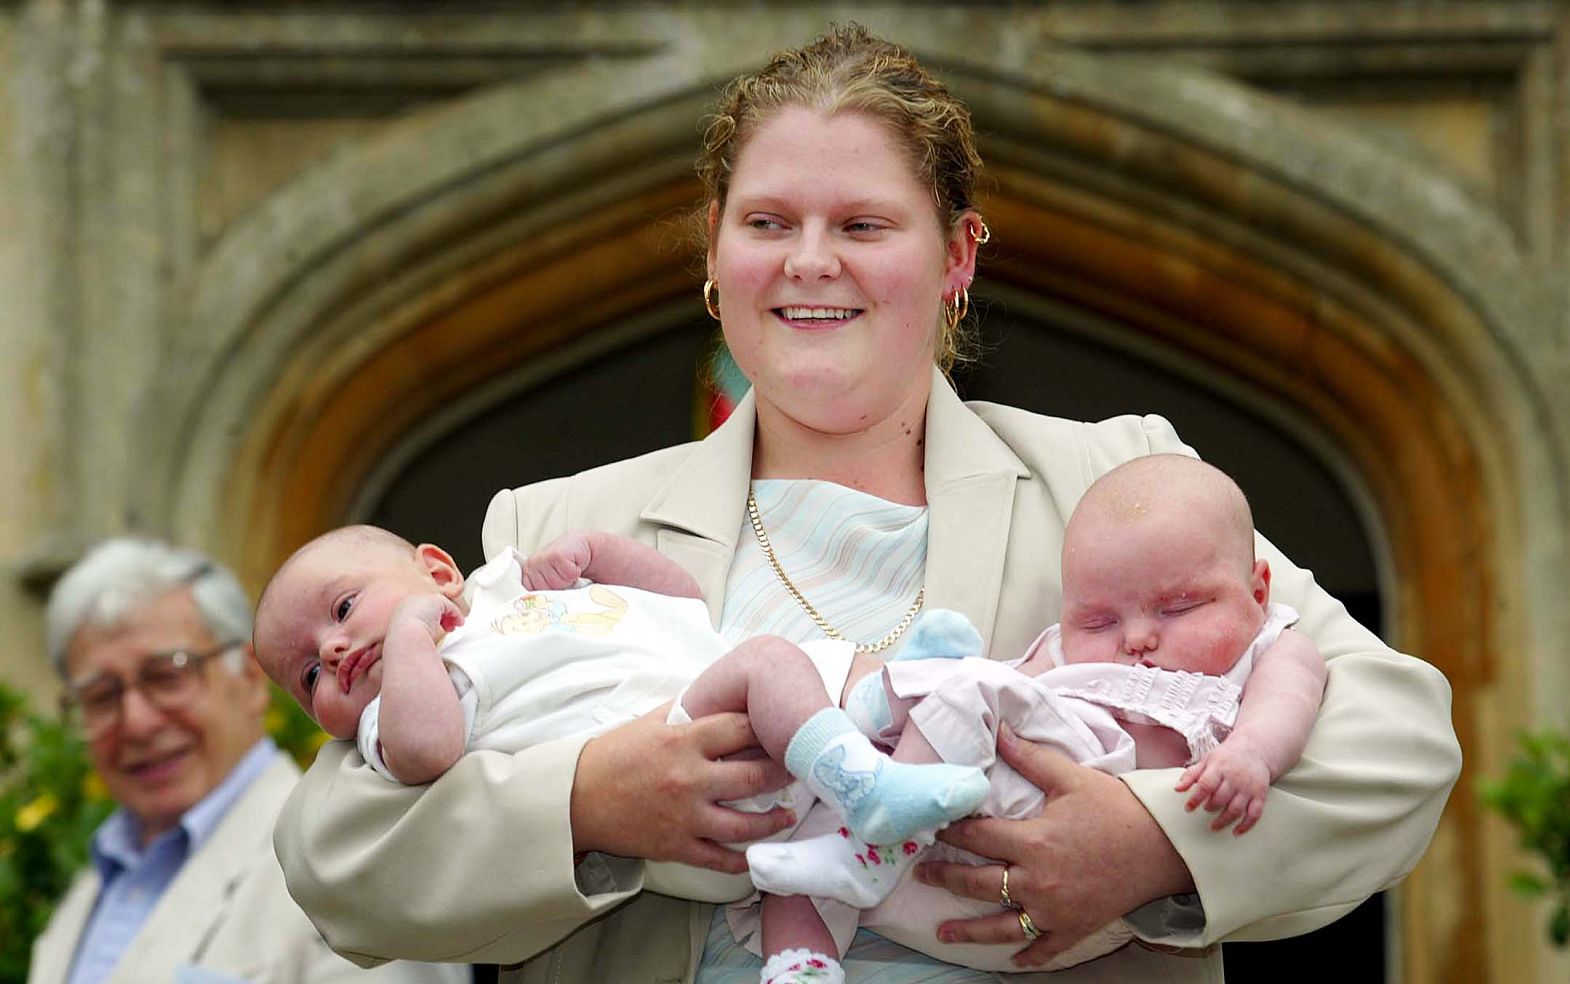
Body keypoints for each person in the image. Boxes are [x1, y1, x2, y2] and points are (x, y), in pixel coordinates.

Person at [273, 24, 1461, 984]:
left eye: (863, 225)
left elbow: (1395, 741)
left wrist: (1148, 844)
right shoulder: (554, 533)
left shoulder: (1121, 479)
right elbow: (337, 855)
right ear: (714, 254)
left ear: (957, 256)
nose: (809, 261)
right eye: (768, 223)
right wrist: (588, 804)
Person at [741, 453, 1328, 978]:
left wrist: (1252, 752)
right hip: (965, 845)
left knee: (968, 684)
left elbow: (1290, 703)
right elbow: (1015, 692)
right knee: (804, 838)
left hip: (1088, 855)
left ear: (1257, 594)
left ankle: (880, 737)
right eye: (1098, 621)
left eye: (1179, 607)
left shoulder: (1273, 646)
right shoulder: (1062, 651)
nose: (1139, 638)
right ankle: (802, 963)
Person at [251, 525, 985, 846]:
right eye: (309, 674)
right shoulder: (396, 713)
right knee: (767, 661)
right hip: (667, 748)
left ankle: (891, 695)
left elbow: (682, 604)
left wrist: (601, 552)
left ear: (440, 573)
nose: (334, 648)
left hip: (708, 690)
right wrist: (409, 636)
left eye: (343, 609)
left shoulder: (511, 591)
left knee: (792, 663)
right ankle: (868, 778)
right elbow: (428, 751)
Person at [28, 538, 468, 984]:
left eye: (167, 674)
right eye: (100, 696)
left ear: (252, 680)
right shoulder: (95, 886)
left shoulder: (358, 848)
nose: (137, 723)